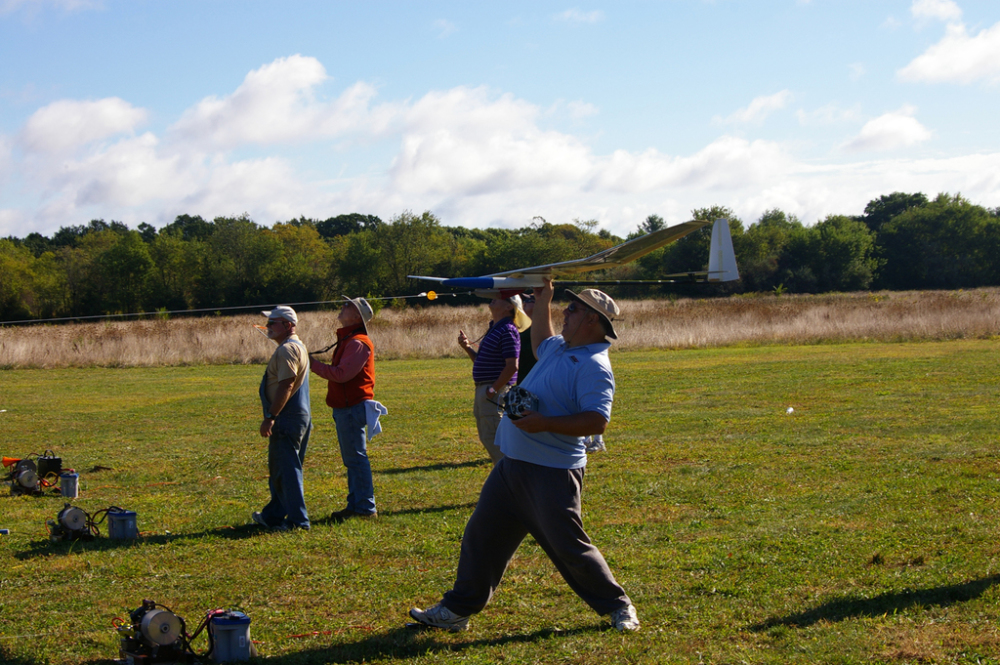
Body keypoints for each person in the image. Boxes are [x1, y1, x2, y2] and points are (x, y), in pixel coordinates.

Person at [409, 278, 640, 633]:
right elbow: (540, 337)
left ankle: (619, 607)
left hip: (551, 473)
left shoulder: (594, 364)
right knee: (481, 538)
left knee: (569, 548)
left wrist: (546, 422)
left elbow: (597, 420)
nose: (567, 311)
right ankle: (457, 610)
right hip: (512, 467)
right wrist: (544, 299)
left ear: (592, 320)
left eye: (574, 308)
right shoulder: (560, 348)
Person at [310, 296, 380, 522]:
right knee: (353, 459)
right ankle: (358, 504)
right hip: (348, 407)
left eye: (348, 305)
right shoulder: (351, 339)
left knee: (356, 459)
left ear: (357, 317)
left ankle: (365, 507)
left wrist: (311, 364)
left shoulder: (357, 342)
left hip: (351, 408)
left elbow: (341, 375)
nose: (343, 307)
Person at [252, 305, 312, 531]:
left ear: (288, 325)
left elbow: (286, 385)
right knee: (281, 470)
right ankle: (274, 516)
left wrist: (271, 416)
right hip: (296, 415)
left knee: (287, 470)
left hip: (287, 417)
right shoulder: (295, 346)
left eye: (272, 323)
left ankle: (298, 522)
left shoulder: (287, 349)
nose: (267, 327)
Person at [457, 294, 529, 464]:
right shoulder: (495, 329)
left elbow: (512, 366)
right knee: (487, 436)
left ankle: (509, 476)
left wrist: (493, 389)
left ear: (509, 307)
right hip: (486, 390)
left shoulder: (508, 330)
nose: (494, 298)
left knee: (496, 438)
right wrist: (467, 348)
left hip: (494, 392)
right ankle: (505, 474)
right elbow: (482, 362)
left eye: (500, 297)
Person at [515, 293, 537, 385]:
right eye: (523, 301)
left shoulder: (540, 329)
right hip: (521, 380)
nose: (524, 303)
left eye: (528, 301)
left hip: (534, 381)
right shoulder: (519, 328)